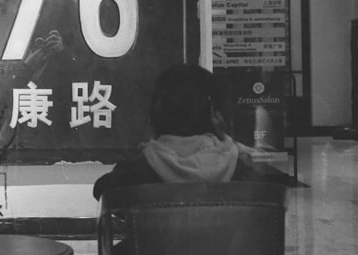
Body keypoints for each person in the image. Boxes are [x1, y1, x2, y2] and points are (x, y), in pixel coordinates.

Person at [93, 63, 261, 201]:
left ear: (156, 114)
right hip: (225, 243)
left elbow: (101, 189)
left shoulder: (139, 171)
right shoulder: (239, 171)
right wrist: (226, 139)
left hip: (155, 243)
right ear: (212, 114)